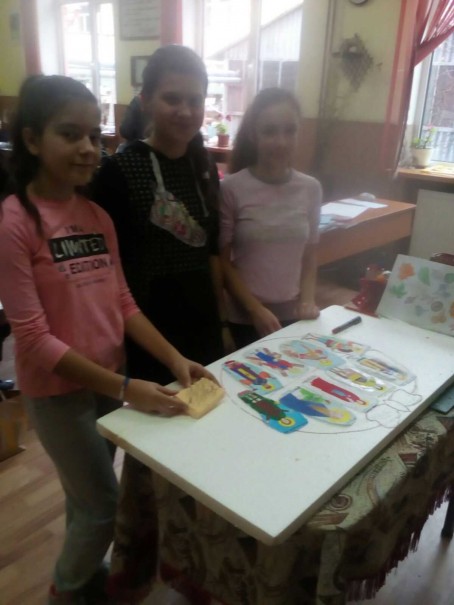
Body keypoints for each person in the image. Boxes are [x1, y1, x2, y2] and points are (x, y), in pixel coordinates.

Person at [0, 74, 215, 605]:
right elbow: (33, 339)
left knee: (85, 496)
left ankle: (84, 575)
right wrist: (125, 387)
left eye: (94, 136)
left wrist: (175, 359)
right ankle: (66, 592)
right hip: (57, 394)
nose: (86, 148)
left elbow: (123, 304)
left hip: (106, 381)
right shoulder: (14, 222)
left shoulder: (97, 216)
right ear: (32, 139)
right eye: (69, 133)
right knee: (102, 505)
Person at [92, 45, 226, 387]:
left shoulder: (204, 167)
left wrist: (222, 321)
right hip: (149, 328)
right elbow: (108, 270)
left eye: (195, 101)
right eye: (172, 99)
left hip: (202, 319)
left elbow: (211, 251)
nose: (185, 111)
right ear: (146, 101)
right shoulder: (120, 171)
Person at [219, 87, 322, 349]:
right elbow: (223, 261)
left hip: (294, 318)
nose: (281, 142)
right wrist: (254, 309)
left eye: (290, 131)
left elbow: (310, 256)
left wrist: (307, 300)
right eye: (270, 131)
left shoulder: (311, 188)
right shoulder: (231, 188)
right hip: (245, 318)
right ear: (254, 135)